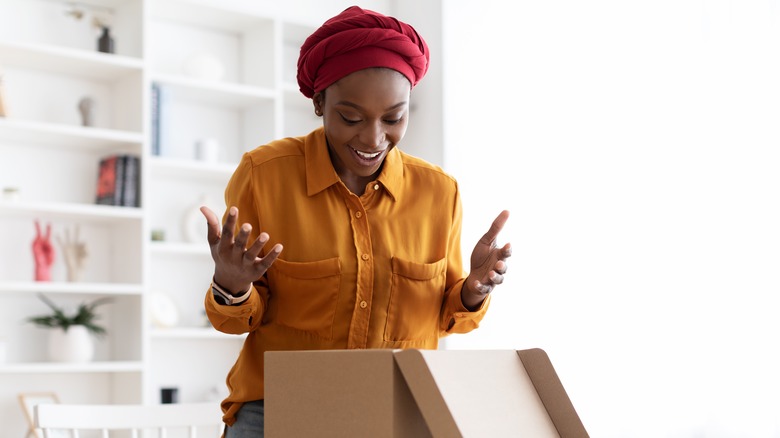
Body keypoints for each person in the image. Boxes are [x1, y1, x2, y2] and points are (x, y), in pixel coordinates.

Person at [200, 6, 512, 437]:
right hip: (278, 410)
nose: (373, 138)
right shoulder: (263, 176)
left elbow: (447, 318)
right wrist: (231, 285)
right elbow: (235, 321)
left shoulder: (439, 193)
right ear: (318, 102)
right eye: (350, 118)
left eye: (393, 118)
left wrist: (473, 291)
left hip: (394, 413)